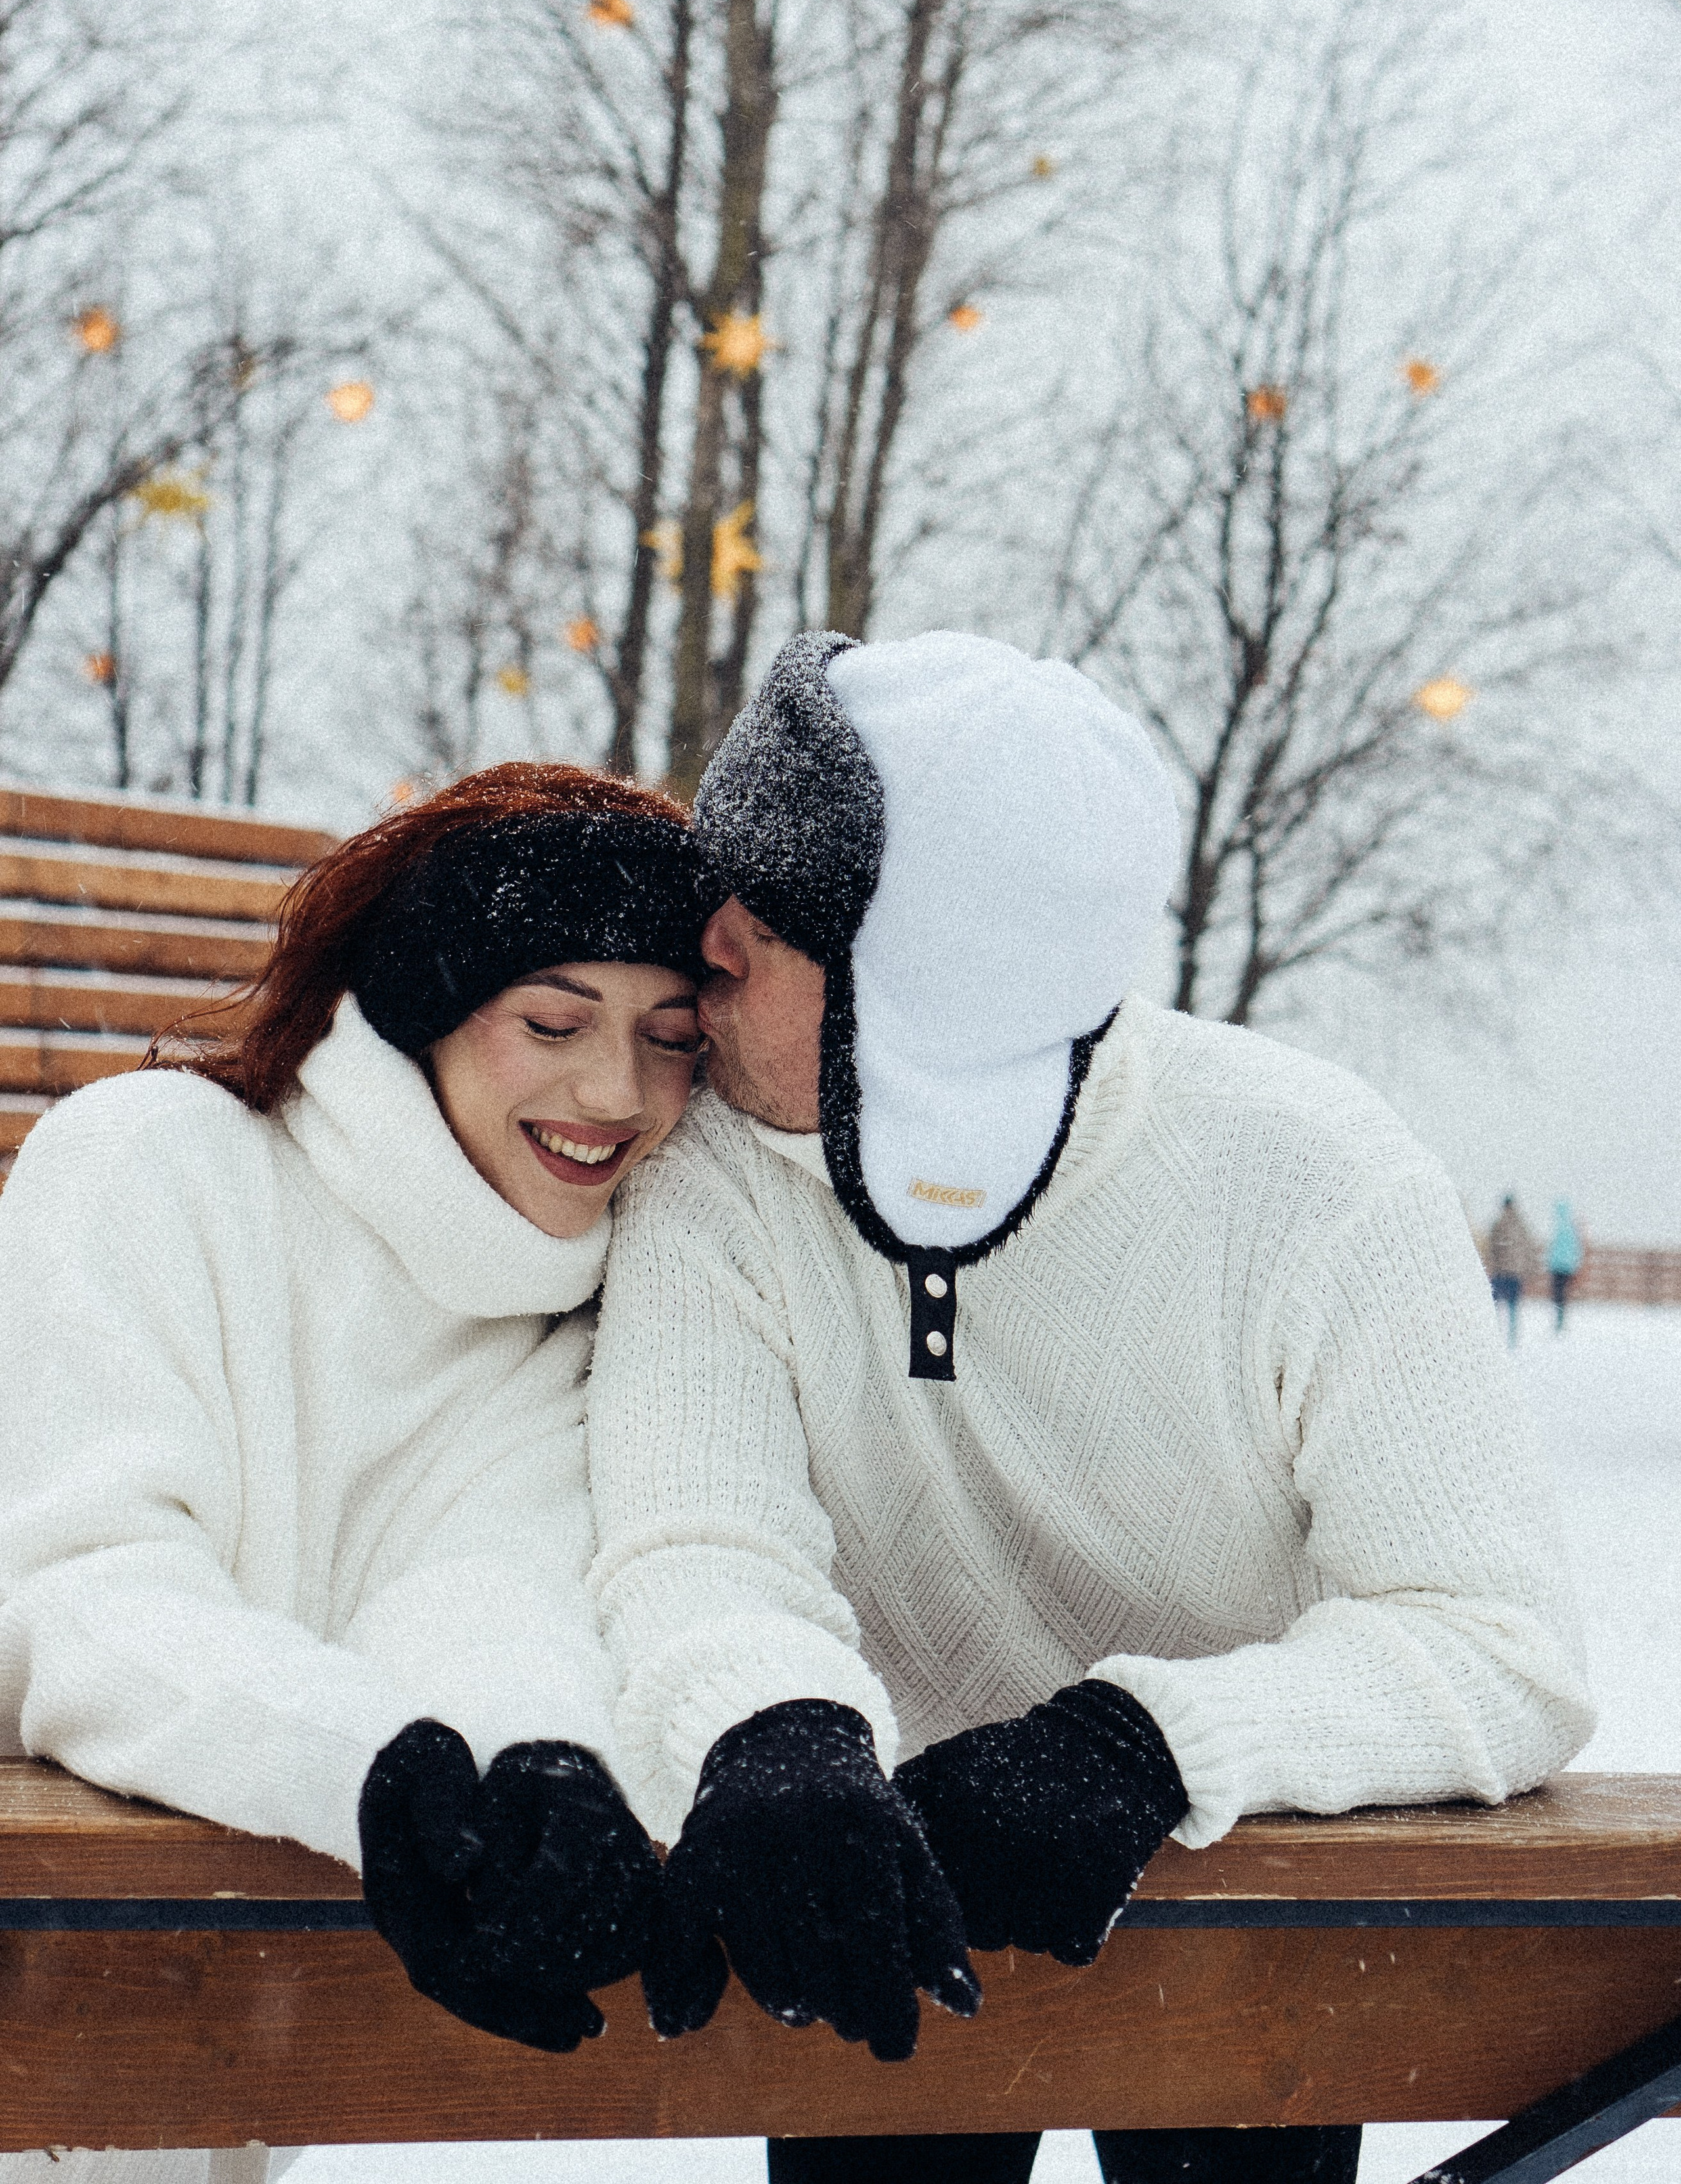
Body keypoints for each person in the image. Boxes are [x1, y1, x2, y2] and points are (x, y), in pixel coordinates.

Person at [586, 630, 1594, 2184]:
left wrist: (1147, 1743)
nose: (700, 941)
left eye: (775, 911)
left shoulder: (1310, 1177)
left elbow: (1494, 1640)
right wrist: (768, 1726)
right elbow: (691, 1537)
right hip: (865, 1866)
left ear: (924, 985)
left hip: (1227, 1876)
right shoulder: (711, 1170)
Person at [0, 762, 712, 2184]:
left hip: (213, 2019)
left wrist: (536, 1764)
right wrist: (369, 1771)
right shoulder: (148, 1164)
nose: (611, 1091)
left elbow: (479, 1590)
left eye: (670, 1037)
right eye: (551, 1020)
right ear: (427, 1006)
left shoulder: (583, 1301)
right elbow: (75, 1589)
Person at [1486, 1193, 1537, 1348]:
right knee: (1513, 1307)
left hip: (1500, 1272)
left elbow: (1491, 1249)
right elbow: (1529, 1250)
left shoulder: (1498, 1224)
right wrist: (1529, 1270)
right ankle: (1512, 1339)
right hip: (1515, 1274)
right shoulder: (1522, 1226)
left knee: (1494, 1305)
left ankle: (1493, 1336)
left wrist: (1492, 1267)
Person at [1548, 1200, 1584, 1331]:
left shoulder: (1560, 1229)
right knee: (1562, 1295)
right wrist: (1575, 1265)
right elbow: (1577, 1249)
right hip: (1568, 1268)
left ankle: (1559, 1320)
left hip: (1557, 1267)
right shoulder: (1571, 1229)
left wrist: (1550, 1263)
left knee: (1558, 1295)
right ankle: (1561, 1319)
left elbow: (1553, 1249)